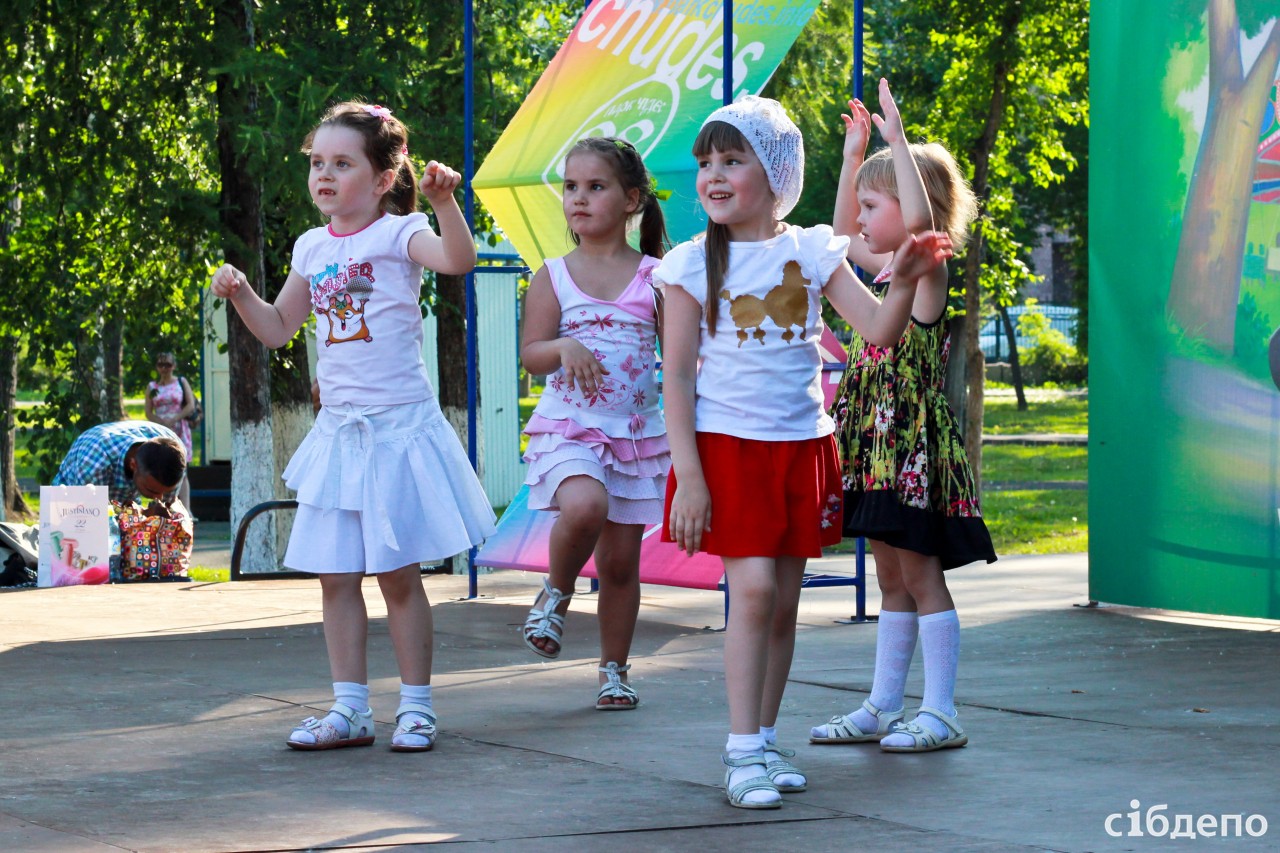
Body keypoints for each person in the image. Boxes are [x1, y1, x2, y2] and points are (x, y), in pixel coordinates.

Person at [656, 95, 954, 809]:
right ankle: (739, 751)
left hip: (803, 447)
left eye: (733, 160)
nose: (714, 176)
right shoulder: (688, 265)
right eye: (706, 163)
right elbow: (675, 377)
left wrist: (907, 275)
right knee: (753, 592)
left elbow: (879, 330)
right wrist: (689, 479)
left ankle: (762, 737)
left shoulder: (813, 249)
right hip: (726, 449)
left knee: (784, 604)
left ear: (777, 173)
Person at [209, 101, 494, 753]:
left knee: (397, 574)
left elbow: (458, 260)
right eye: (317, 163)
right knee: (336, 575)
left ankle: (416, 707)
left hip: (396, 432)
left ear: (383, 177)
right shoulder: (311, 246)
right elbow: (279, 327)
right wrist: (241, 294)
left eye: (343, 163)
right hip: (340, 435)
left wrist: (447, 202)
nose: (325, 175)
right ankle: (350, 709)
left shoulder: (400, 233)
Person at [809, 79, 996, 755]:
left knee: (920, 576)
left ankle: (940, 710)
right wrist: (854, 155)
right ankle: (884, 704)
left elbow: (918, 228)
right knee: (889, 576)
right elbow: (831, 245)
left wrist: (895, 141)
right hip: (873, 448)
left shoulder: (924, 271)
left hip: (911, 450)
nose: (859, 215)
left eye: (871, 203)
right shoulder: (880, 272)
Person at [519, 137, 670, 709]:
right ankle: (555, 593)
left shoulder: (658, 276)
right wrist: (562, 347)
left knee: (619, 563)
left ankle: (614, 671)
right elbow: (531, 353)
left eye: (595, 186)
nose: (578, 198)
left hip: (633, 433)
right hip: (569, 426)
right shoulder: (553, 275)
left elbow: (679, 358)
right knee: (585, 506)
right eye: (571, 187)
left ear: (632, 200)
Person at [53, 421, 186, 513]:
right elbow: (88, 520)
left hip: (126, 493)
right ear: (133, 465)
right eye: (152, 490)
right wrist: (142, 514)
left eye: (165, 491)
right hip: (73, 500)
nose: (159, 497)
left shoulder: (174, 453)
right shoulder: (96, 463)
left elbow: (167, 507)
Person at [144, 351, 195, 509]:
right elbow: (148, 411)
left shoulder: (181, 382)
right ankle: (164, 506)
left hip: (179, 429)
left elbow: (190, 405)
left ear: (174, 366)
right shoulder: (152, 387)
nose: (164, 368)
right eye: (161, 364)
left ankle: (186, 510)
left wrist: (174, 419)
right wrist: (160, 422)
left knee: (182, 469)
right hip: (160, 431)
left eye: (168, 364)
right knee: (161, 468)